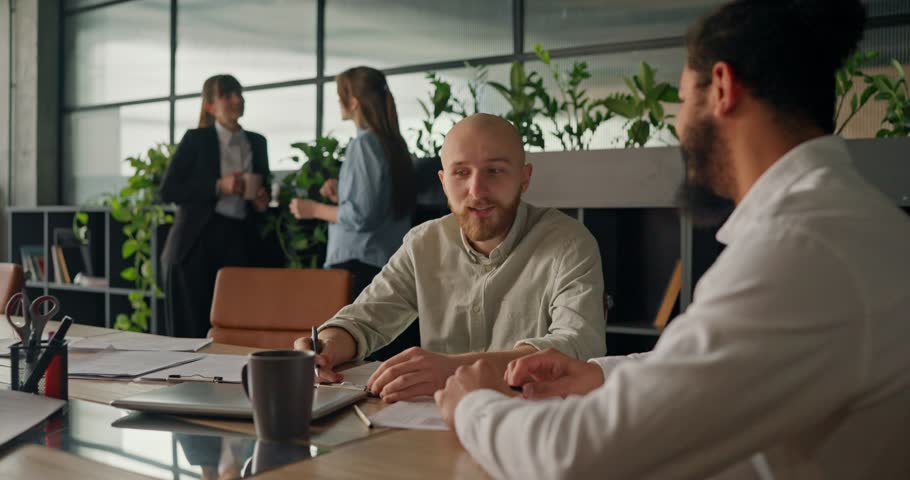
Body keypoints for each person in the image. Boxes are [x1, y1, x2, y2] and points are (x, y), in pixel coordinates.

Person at [434, 1, 910, 479]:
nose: (680, 124)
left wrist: (475, 407)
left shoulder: (800, 248)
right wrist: (598, 374)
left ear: (721, 88)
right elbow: (712, 365)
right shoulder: (845, 220)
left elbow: (579, 457)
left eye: (683, 100)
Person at [294, 113, 606, 403]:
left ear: (524, 178)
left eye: (495, 171)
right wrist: (327, 347)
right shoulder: (423, 243)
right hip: (436, 425)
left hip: (534, 425)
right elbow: (364, 319)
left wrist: (454, 369)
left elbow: (578, 347)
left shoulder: (569, 243)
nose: (477, 189)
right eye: (461, 173)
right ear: (444, 182)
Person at [288, 66, 418, 359]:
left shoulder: (364, 144)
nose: (338, 104)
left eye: (339, 96)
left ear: (354, 102)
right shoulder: (392, 143)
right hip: (380, 263)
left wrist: (314, 210)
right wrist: (342, 194)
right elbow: (378, 205)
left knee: (351, 358)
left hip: (359, 268)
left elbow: (362, 217)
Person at [160, 74, 270, 338]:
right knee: (193, 325)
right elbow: (167, 190)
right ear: (209, 106)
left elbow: (262, 190)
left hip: (240, 239)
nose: (236, 99)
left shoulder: (257, 141)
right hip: (197, 241)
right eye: (227, 95)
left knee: (237, 323)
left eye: (239, 93)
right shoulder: (197, 139)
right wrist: (218, 186)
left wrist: (261, 201)